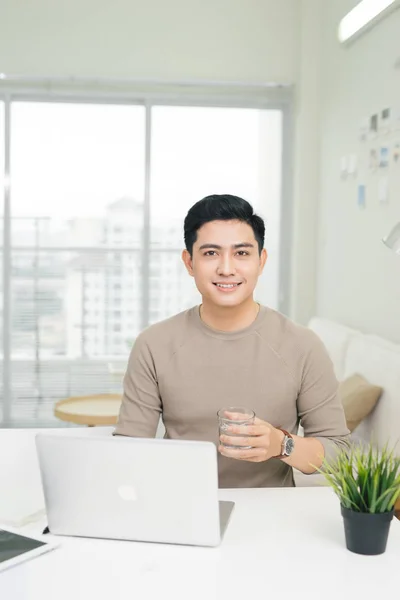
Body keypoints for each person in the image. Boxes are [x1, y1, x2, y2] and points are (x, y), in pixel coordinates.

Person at [114, 194, 349, 488]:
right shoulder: (153, 344)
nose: (227, 268)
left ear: (261, 261)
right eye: (211, 253)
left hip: (272, 514)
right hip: (178, 505)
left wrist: (282, 444)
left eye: (241, 253)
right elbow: (128, 449)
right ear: (189, 262)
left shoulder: (302, 345)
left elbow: (341, 453)